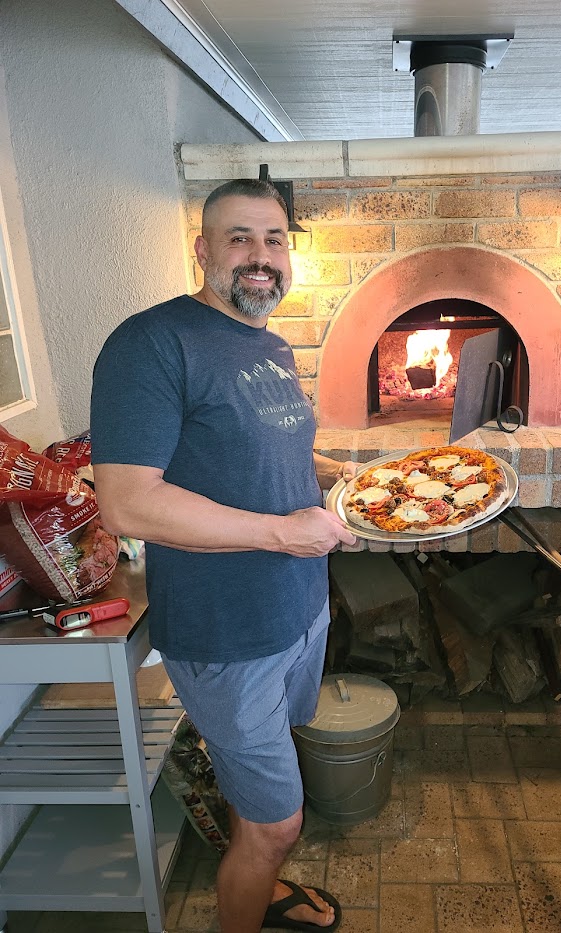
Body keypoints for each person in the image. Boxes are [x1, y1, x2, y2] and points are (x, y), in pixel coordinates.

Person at [90, 178, 358, 933]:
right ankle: (251, 891)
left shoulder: (269, 343)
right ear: (201, 249)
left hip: (298, 610)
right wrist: (282, 534)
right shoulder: (151, 343)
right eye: (239, 238)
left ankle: (259, 886)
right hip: (228, 634)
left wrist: (343, 484)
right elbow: (128, 503)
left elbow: (266, 457)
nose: (260, 256)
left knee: (256, 798)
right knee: (277, 827)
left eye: (274, 240)